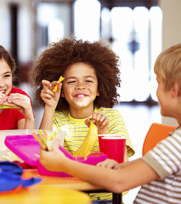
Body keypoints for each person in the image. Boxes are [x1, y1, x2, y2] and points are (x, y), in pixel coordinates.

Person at [40, 44, 181, 203]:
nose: (80, 86)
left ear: (174, 90)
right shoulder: (176, 139)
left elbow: (119, 181)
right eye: (72, 81)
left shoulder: (178, 143)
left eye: (158, 83)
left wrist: (62, 163)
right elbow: (132, 167)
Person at [32, 38, 134, 201]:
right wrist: (50, 107)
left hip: (105, 197)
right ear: (62, 91)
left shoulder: (112, 118)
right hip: (70, 196)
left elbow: (122, 165)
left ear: (100, 88)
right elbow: (44, 154)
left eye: (88, 80)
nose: (80, 86)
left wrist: (103, 132)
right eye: (72, 81)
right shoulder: (56, 119)